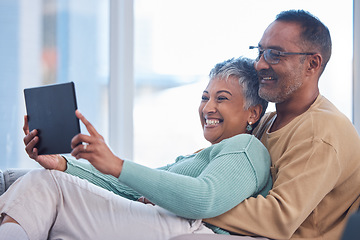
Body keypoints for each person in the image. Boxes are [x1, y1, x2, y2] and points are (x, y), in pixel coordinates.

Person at [0, 57, 272, 240]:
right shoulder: (200, 155)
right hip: (167, 221)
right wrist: (63, 164)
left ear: (253, 113)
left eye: (221, 99)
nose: (208, 107)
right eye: (205, 97)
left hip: (186, 228)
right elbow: (128, 188)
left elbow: (204, 200)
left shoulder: (246, 148)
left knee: (46, 185)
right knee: (37, 180)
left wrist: (117, 165)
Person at [171, 9, 360, 240]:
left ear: (312, 64)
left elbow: (277, 220)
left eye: (275, 54)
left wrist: (183, 201)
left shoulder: (321, 131)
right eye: (260, 52)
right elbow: (207, 163)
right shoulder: (268, 121)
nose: (259, 64)